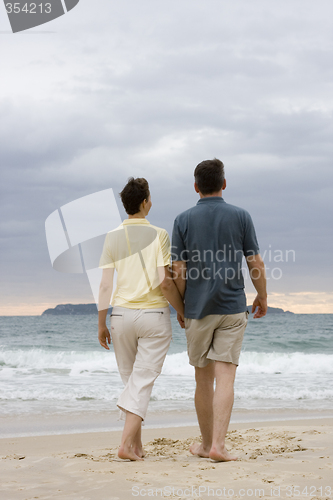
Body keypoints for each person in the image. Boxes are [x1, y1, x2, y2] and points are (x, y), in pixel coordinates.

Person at [171, 159, 267, 462]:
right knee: (226, 377)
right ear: (223, 184)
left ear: (196, 186)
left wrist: (183, 305)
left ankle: (205, 444)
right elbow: (255, 262)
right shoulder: (241, 216)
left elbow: (177, 268)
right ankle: (219, 446)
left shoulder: (183, 219)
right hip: (232, 305)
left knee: (203, 379)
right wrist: (262, 296)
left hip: (198, 309)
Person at [98, 177, 184, 461]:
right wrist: (181, 310)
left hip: (120, 316)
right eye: (150, 198)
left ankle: (136, 446)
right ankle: (125, 445)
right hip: (153, 316)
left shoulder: (112, 237)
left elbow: (105, 286)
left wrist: (101, 322)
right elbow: (166, 282)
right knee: (142, 382)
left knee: (132, 383)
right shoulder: (159, 234)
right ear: (145, 201)